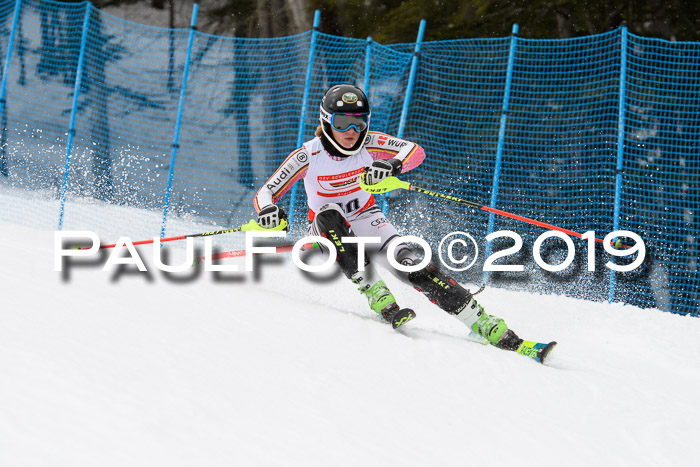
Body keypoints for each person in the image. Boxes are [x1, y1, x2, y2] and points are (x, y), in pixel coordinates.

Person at [253, 84, 524, 351]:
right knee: (330, 214)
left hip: (367, 219)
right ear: (326, 121)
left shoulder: (369, 144)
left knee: (412, 266)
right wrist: (268, 211)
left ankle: (484, 324)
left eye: (359, 122)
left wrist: (392, 164)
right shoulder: (307, 155)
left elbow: (414, 151)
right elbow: (266, 192)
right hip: (327, 234)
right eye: (343, 122)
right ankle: (376, 294)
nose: (351, 131)